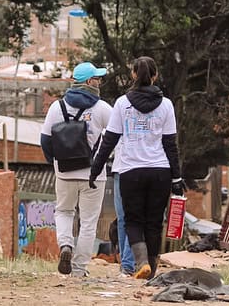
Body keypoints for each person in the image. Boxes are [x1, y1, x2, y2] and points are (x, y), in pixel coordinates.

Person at [90, 56, 183, 280]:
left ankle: (141, 262)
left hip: (131, 171)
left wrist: (95, 169)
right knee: (154, 222)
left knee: (133, 220)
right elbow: (170, 144)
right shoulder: (166, 105)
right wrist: (177, 178)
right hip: (160, 171)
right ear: (155, 76)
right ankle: (151, 268)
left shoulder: (122, 103)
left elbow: (109, 140)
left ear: (133, 74)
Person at [40, 61, 113, 277]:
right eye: (97, 79)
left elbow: (45, 140)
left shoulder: (57, 107)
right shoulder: (102, 108)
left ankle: (65, 245)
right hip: (93, 174)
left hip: (64, 172)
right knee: (88, 222)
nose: (99, 82)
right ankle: (79, 269)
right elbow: (117, 134)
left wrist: (54, 162)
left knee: (64, 211)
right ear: (89, 81)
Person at [112, 141, 135, 275]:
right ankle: (127, 264)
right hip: (138, 167)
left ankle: (125, 263)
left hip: (119, 169)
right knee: (132, 219)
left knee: (123, 220)